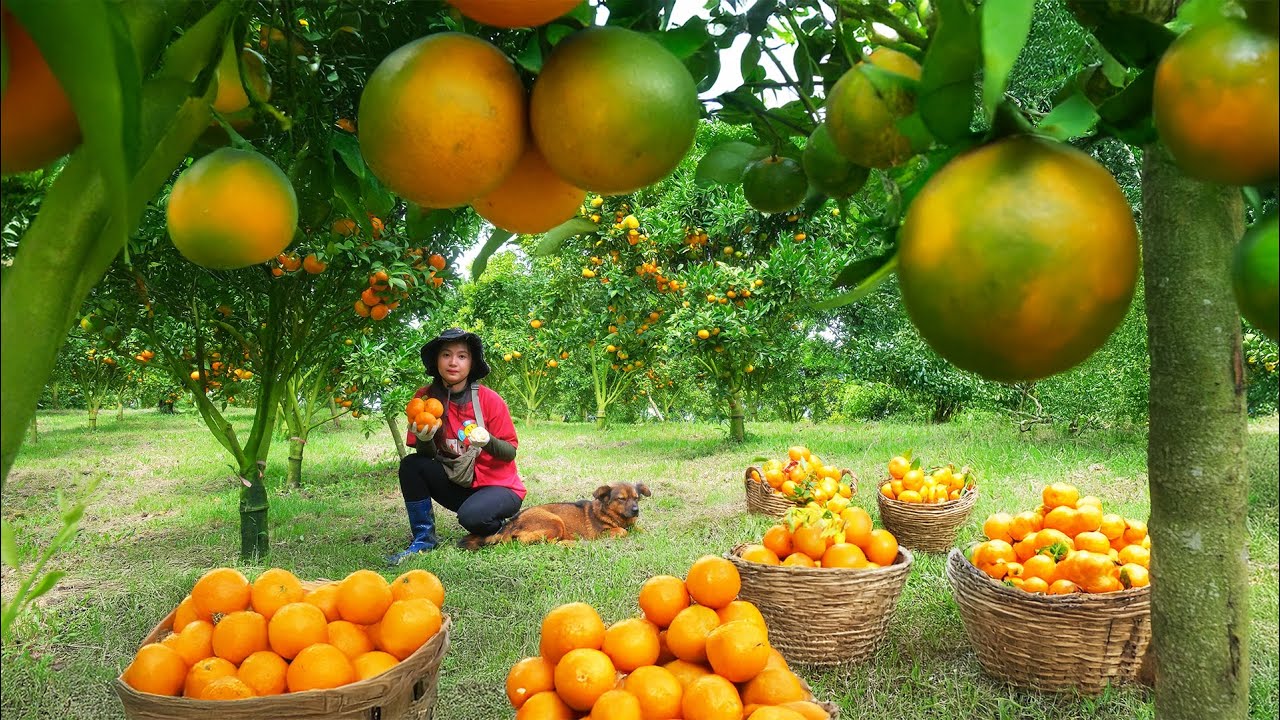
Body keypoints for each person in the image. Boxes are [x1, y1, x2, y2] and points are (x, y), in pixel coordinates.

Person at [389, 328, 525, 565]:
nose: (453, 362)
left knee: (472, 519)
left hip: (498, 487)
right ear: (437, 360)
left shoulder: (489, 400)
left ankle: (504, 524)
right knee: (411, 465)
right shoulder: (424, 399)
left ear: (471, 363)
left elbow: (509, 452)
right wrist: (425, 437)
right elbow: (426, 457)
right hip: (457, 484)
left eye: (462, 356)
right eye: (446, 355)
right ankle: (424, 539)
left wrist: (487, 441)